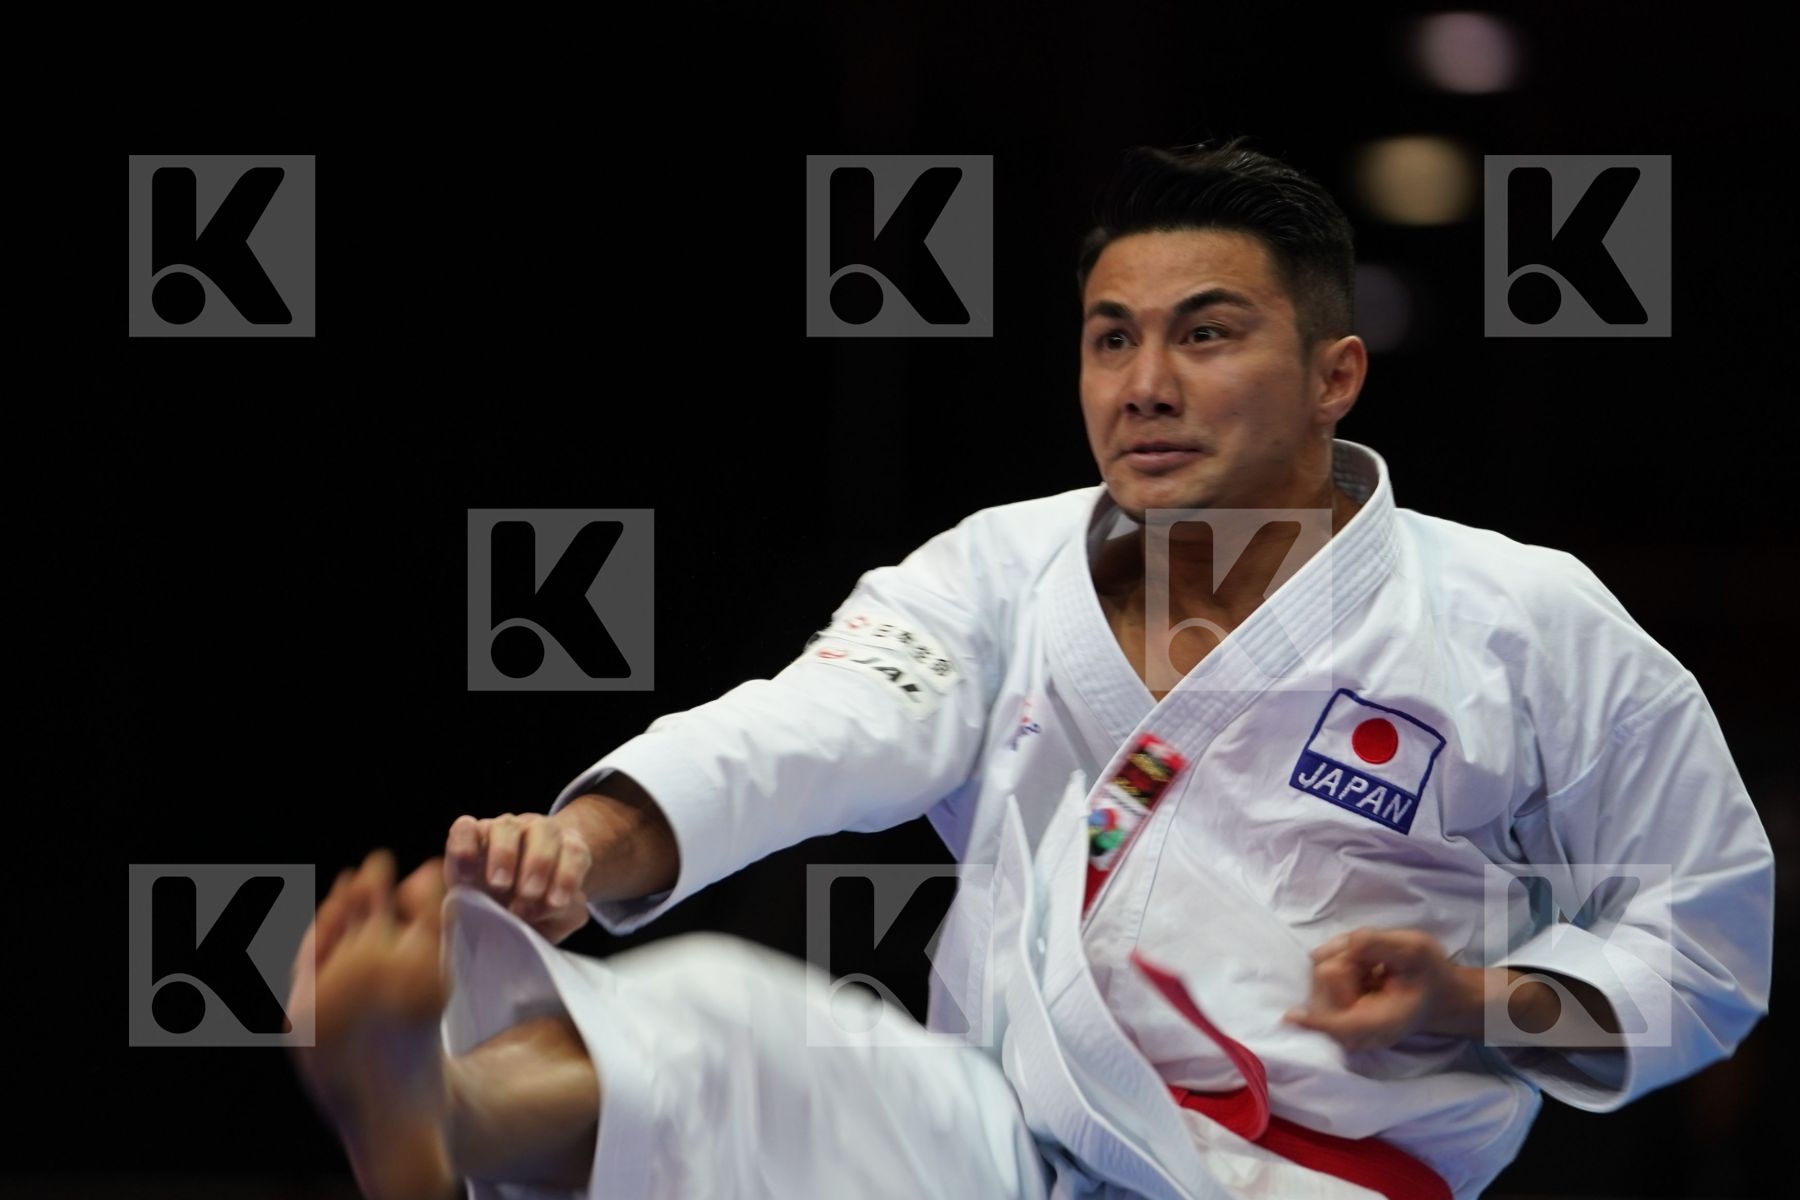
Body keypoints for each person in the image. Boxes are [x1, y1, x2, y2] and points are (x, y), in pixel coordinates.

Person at [289, 138, 1774, 1200]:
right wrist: (584, 840)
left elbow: (1706, 940)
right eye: (1109, 340)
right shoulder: (1003, 567)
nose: (1144, 386)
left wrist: (1481, 1001)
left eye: (1207, 334)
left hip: (1307, 1178)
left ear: (1335, 373)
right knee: (728, 1026)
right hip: (992, 1145)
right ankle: (442, 1114)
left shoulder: (1524, 622)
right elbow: (818, 725)